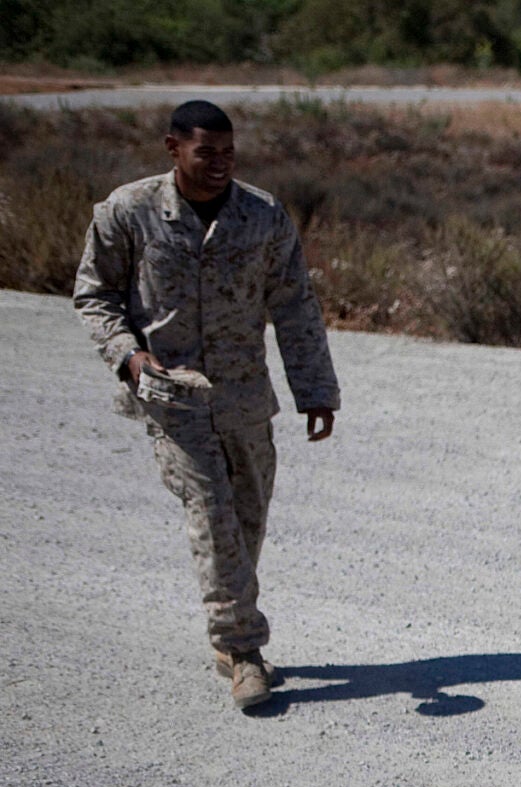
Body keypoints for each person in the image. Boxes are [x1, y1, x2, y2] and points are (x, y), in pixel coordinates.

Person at [72, 99, 339, 712]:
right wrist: (129, 358)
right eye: (205, 153)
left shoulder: (262, 214)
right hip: (173, 398)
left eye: (228, 153)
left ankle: (229, 626)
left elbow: (294, 304)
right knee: (214, 513)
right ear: (173, 149)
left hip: (246, 396)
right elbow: (95, 295)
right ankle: (243, 649)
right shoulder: (129, 211)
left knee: (247, 520)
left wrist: (316, 390)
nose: (219, 164)